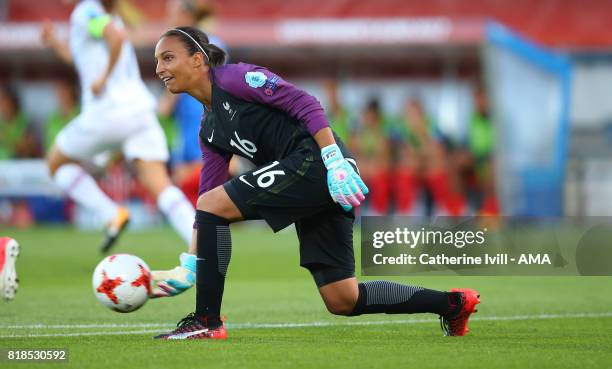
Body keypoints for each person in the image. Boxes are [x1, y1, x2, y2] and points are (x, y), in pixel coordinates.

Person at [150, 26, 481, 339]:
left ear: (198, 59)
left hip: (315, 160)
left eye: (168, 57)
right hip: (309, 177)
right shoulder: (210, 130)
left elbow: (304, 102)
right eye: (157, 61)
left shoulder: (234, 78)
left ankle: (206, 321)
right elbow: (207, 198)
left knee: (213, 207)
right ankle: (451, 305)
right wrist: (191, 264)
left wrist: (333, 159)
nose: (160, 68)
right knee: (342, 298)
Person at [40, 0, 195, 253]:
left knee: (55, 163)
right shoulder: (107, 17)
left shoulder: (86, 10)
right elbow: (85, 58)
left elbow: (117, 37)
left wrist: (102, 79)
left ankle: (110, 213)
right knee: (162, 186)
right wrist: (56, 44)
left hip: (108, 112)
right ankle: (200, 244)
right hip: (140, 111)